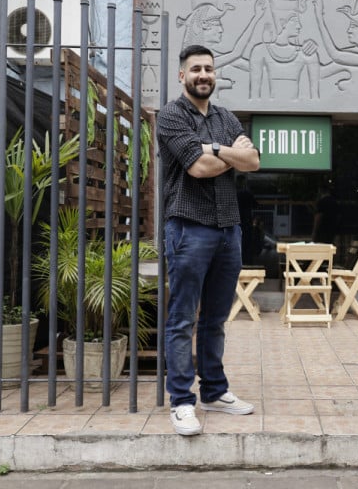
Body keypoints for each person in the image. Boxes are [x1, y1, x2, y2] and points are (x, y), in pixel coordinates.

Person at [156, 44, 260, 436]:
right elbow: (198, 168)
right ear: (182, 75)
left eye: (209, 69)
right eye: (196, 69)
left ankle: (215, 391)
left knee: (216, 319)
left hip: (228, 227)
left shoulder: (225, 117)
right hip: (188, 226)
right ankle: (182, 402)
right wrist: (230, 153)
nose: (204, 74)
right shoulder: (171, 116)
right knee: (183, 318)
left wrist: (216, 148)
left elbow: (254, 162)